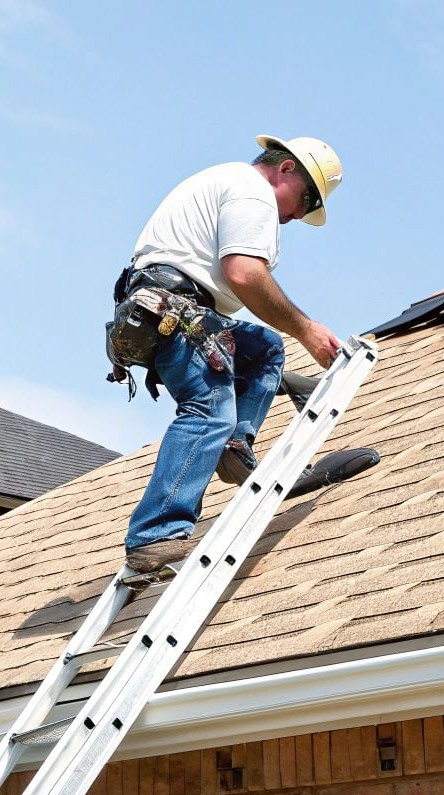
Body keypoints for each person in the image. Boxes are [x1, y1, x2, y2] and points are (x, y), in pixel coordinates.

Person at [112, 134, 346, 573]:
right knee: (206, 413)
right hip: (178, 309)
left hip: (166, 306)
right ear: (287, 169)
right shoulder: (251, 191)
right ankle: (154, 535)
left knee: (264, 350)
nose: (298, 214)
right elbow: (244, 273)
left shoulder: (226, 183)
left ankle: (234, 445)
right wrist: (308, 330)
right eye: (306, 198)